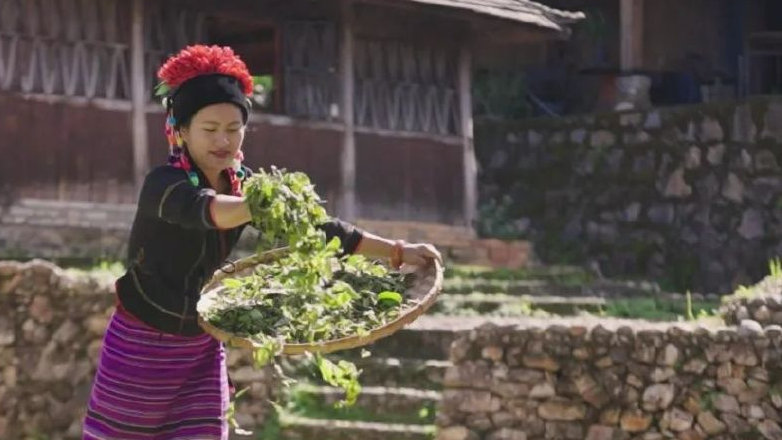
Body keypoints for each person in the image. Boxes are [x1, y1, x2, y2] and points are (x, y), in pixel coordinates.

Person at [82, 44, 441, 439]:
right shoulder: (164, 185)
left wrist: (396, 252)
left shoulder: (247, 186)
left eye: (234, 130)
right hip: (143, 343)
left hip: (201, 341)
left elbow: (320, 229)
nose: (223, 141)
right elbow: (207, 211)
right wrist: (264, 203)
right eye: (210, 130)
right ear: (181, 131)